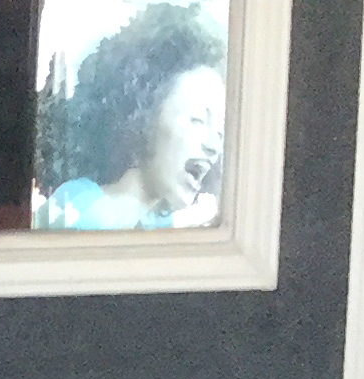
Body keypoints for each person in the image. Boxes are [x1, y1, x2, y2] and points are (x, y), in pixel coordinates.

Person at [39, 3, 225, 231]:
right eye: (197, 120)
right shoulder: (81, 209)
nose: (214, 146)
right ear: (143, 115)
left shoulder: (163, 224)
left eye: (220, 133)